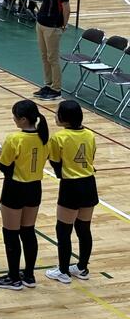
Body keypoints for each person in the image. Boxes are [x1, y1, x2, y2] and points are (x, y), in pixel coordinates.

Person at [0, 100, 49, 291]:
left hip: (15, 188)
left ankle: (14, 277)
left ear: (23, 119)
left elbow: (5, 167)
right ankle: (29, 275)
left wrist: (2, 153)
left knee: (11, 233)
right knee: (28, 231)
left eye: (15, 117)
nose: (14, 119)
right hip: (35, 188)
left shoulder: (14, 139)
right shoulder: (44, 137)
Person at [45, 101, 98, 284]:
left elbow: (55, 163)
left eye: (57, 113)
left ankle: (63, 271)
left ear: (64, 118)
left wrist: (63, 174)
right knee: (83, 228)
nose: (55, 115)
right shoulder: (90, 134)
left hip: (71, 186)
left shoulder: (58, 137)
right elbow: (91, 158)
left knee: (63, 229)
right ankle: (82, 268)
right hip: (89, 184)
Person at [33, 0, 70, 101]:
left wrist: (63, 25)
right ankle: (48, 84)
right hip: (41, 22)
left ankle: (56, 89)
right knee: (44, 56)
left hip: (53, 25)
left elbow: (66, 7)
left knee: (52, 58)